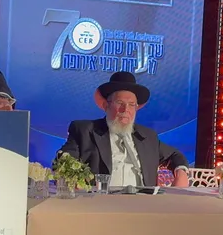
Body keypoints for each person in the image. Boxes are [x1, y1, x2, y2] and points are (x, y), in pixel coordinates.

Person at [58, 72, 190, 188]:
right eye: (120, 103)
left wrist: (181, 172)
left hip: (143, 203)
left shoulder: (148, 136)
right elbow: (63, 161)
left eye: (131, 105)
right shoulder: (84, 131)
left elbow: (175, 155)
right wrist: (73, 181)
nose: (125, 109)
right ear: (106, 105)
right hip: (100, 202)